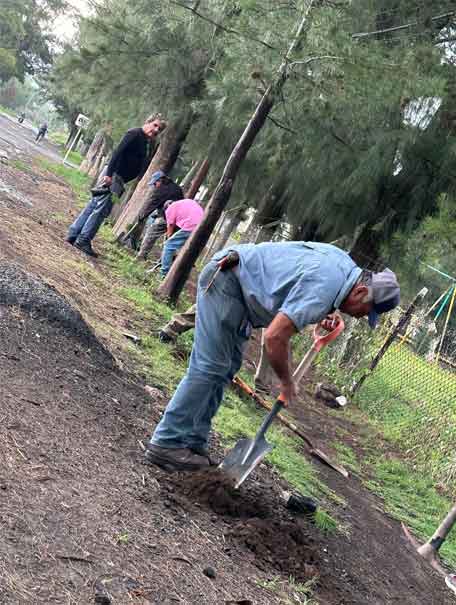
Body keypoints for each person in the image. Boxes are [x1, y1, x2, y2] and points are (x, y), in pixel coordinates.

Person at [145, 241, 400, 471]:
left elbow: (293, 275)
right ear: (359, 292)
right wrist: (287, 382)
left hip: (241, 290)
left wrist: (327, 310)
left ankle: (191, 441)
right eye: (366, 311)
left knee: (224, 370)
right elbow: (274, 337)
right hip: (228, 282)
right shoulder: (325, 286)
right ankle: (167, 442)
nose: (360, 317)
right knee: (210, 367)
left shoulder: (343, 266)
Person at [66, 115, 166, 257]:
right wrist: (109, 174)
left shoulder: (145, 141)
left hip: (118, 178)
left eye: (159, 129)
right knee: (101, 210)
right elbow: (117, 152)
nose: (156, 130)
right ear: (147, 122)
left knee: (94, 205)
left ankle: (73, 233)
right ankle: (83, 240)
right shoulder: (135, 134)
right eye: (155, 125)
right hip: (114, 176)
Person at [135, 172, 184, 259]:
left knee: (151, 234)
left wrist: (141, 216)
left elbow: (151, 204)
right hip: (179, 220)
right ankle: (168, 261)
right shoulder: (177, 188)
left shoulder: (161, 190)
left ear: (160, 180)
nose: (154, 185)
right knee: (170, 241)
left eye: (155, 183)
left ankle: (141, 256)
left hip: (166, 218)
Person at [160, 198, 204, 277]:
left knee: (168, 245)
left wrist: (168, 238)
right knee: (185, 250)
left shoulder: (170, 208)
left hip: (191, 226)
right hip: (203, 226)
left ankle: (164, 273)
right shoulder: (187, 202)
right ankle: (181, 275)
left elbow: (170, 227)